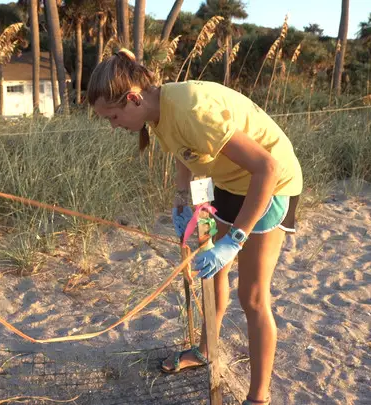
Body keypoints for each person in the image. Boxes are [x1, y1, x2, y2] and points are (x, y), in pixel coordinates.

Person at [87, 49, 303, 405]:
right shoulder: (156, 111)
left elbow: (267, 167)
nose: (114, 126)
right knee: (210, 274)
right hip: (226, 184)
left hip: (270, 185)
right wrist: (181, 200)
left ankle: (259, 397)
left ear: (132, 99)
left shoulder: (191, 109)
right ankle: (205, 349)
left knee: (252, 296)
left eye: (112, 117)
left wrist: (235, 239)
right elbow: (188, 153)